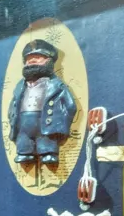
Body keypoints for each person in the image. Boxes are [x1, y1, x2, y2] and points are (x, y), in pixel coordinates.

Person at [6, 38, 77, 167]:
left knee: (46, 138)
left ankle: (48, 153)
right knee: (23, 139)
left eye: (37, 57)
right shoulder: (20, 86)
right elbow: (14, 103)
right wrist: (12, 119)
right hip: (23, 124)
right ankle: (24, 152)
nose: (31, 61)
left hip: (46, 123)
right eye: (28, 59)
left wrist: (61, 123)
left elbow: (70, 105)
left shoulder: (56, 85)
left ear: (49, 61)